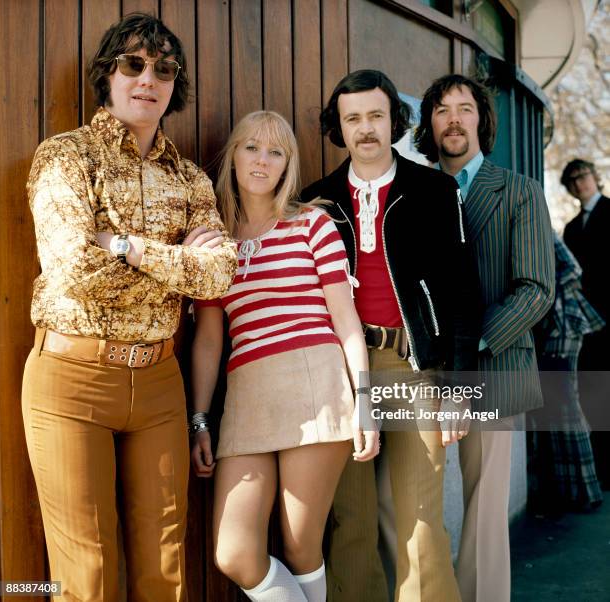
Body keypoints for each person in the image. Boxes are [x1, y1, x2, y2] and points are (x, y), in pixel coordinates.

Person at [22, 13, 237, 601]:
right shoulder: (66, 158)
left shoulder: (191, 179)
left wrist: (128, 249)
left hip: (161, 384)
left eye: (164, 69)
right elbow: (76, 273)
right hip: (73, 381)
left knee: (164, 572)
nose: (149, 79)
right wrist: (177, 267)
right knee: (86, 576)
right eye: (133, 64)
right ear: (108, 74)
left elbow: (219, 273)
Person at [301, 69, 482, 602]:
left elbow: (464, 296)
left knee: (421, 521)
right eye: (352, 118)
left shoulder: (434, 190)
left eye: (376, 116)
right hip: (339, 376)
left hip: (413, 368)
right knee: (349, 523)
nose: (365, 129)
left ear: (394, 121)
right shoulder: (318, 202)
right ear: (339, 126)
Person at [190, 110, 379, 602]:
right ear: (232, 155)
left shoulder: (312, 224)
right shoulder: (217, 244)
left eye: (276, 151)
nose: (261, 160)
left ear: (287, 165)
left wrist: (365, 405)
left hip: (315, 385)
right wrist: (199, 419)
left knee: (300, 547)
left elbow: (347, 324)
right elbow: (210, 340)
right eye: (251, 147)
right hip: (247, 395)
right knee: (233, 552)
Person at [415, 73, 555, 602]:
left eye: (465, 108)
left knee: (483, 510)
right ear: (429, 123)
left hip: (493, 366)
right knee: (411, 503)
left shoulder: (519, 191)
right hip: (419, 371)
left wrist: (467, 342)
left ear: (481, 120)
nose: (454, 118)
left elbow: (537, 289)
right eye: (442, 109)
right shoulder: (411, 190)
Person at [528, 232, 604, 514]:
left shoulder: (543, 230)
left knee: (566, 406)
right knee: (555, 408)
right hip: (551, 327)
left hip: (563, 326)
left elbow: (573, 268)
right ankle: (569, 491)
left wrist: (547, 296)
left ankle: (584, 492)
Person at [562, 158, 610, 489]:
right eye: (574, 180)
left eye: (584, 176)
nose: (581, 183)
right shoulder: (571, 228)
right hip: (587, 324)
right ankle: (602, 469)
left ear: (596, 178)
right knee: (594, 394)